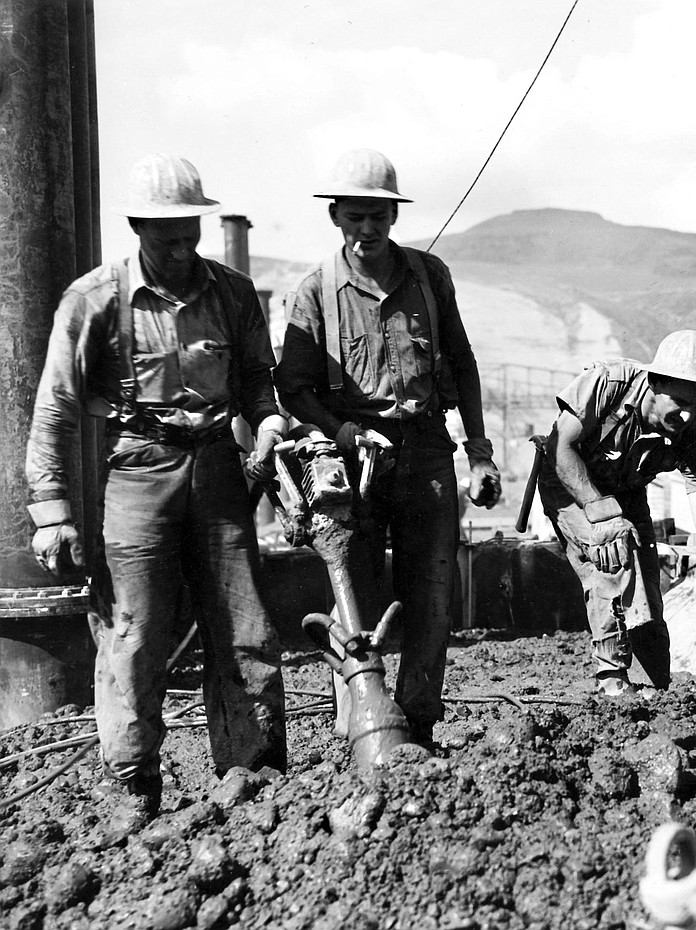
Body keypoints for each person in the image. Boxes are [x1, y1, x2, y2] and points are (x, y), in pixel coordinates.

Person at [26, 153, 289, 820]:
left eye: (189, 232)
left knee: (246, 627)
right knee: (136, 632)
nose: (180, 247)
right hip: (138, 475)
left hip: (219, 474)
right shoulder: (94, 300)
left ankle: (253, 777)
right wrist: (51, 509)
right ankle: (133, 783)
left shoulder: (230, 293)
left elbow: (258, 380)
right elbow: (55, 406)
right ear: (138, 225)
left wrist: (266, 425)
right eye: (165, 234)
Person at [274, 148, 501, 748]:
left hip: (425, 449)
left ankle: (418, 725)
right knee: (355, 590)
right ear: (336, 218)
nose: (367, 229)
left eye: (378, 216)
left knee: (431, 589)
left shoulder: (430, 276)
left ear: (393, 217)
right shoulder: (316, 291)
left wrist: (478, 451)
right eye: (355, 217)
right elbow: (291, 387)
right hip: (354, 458)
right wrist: (342, 432)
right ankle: (360, 728)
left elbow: (462, 364)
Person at [537, 330, 696, 696]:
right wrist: (600, 510)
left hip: (626, 490)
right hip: (569, 480)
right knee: (612, 555)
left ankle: (654, 686)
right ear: (655, 382)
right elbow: (561, 447)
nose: (688, 415)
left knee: (648, 583)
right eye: (681, 401)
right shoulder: (609, 384)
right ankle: (612, 683)